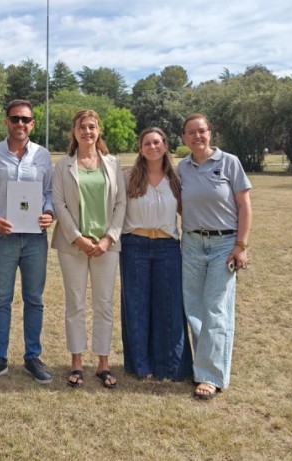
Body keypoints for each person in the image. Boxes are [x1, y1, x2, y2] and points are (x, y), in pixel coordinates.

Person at [0, 100, 54, 385]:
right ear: (6, 121)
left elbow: (48, 193)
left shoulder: (43, 156)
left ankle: (32, 356)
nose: (20, 124)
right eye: (14, 119)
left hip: (35, 240)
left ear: (33, 123)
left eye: (26, 119)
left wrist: (48, 212)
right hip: (2, 237)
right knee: (1, 300)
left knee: (34, 299)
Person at [177, 113, 252, 400]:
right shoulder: (182, 168)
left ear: (210, 133)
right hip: (193, 244)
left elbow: (244, 205)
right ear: (184, 137)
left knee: (216, 309)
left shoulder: (229, 162)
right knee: (194, 309)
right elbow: (182, 204)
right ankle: (203, 366)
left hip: (224, 244)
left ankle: (210, 376)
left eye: (202, 131)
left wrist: (241, 245)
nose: (197, 136)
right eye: (191, 132)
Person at [51, 109, 126, 389]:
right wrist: (77, 237)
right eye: (82, 127)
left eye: (92, 127)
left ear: (99, 131)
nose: (87, 132)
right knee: (75, 304)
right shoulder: (63, 166)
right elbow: (59, 204)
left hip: (106, 247)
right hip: (73, 246)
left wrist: (108, 238)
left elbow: (121, 204)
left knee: (104, 305)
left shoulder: (113, 164)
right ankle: (77, 363)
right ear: (74, 131)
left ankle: (103, 363)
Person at [119, 128, 193, 382]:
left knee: (170, 307)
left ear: (165, 146)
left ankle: (170, 366)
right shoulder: (128, 176)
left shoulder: (177, 178)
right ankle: (141, 365)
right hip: (134, 246)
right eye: (147, 143)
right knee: (137, 307)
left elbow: (189, 210)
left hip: (167, 248)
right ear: (140, 148)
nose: (152, 147)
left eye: (157, 142)